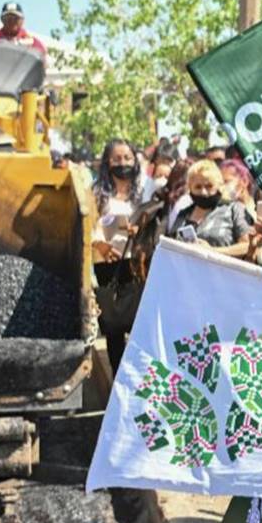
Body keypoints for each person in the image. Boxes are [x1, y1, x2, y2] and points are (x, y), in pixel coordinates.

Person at [92, 139, 143, 368]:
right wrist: (98, 243)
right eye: (116, 159)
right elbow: (88, 226)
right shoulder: (96, 194)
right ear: (107, 163)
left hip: (138, 264)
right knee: (113, 327)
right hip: (107, 263)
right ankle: (117, 378)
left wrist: (141, 230)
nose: (122, 163)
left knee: (139, 322)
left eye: (127, 158)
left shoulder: (143, 192)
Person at [168, 160, 252, 258]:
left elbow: (246, 246)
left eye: (209, 186)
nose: (203, 192)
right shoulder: (183, 215)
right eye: (198, 187)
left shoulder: (233, 209)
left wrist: (212, 251)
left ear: (218, 186)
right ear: (190, 188)